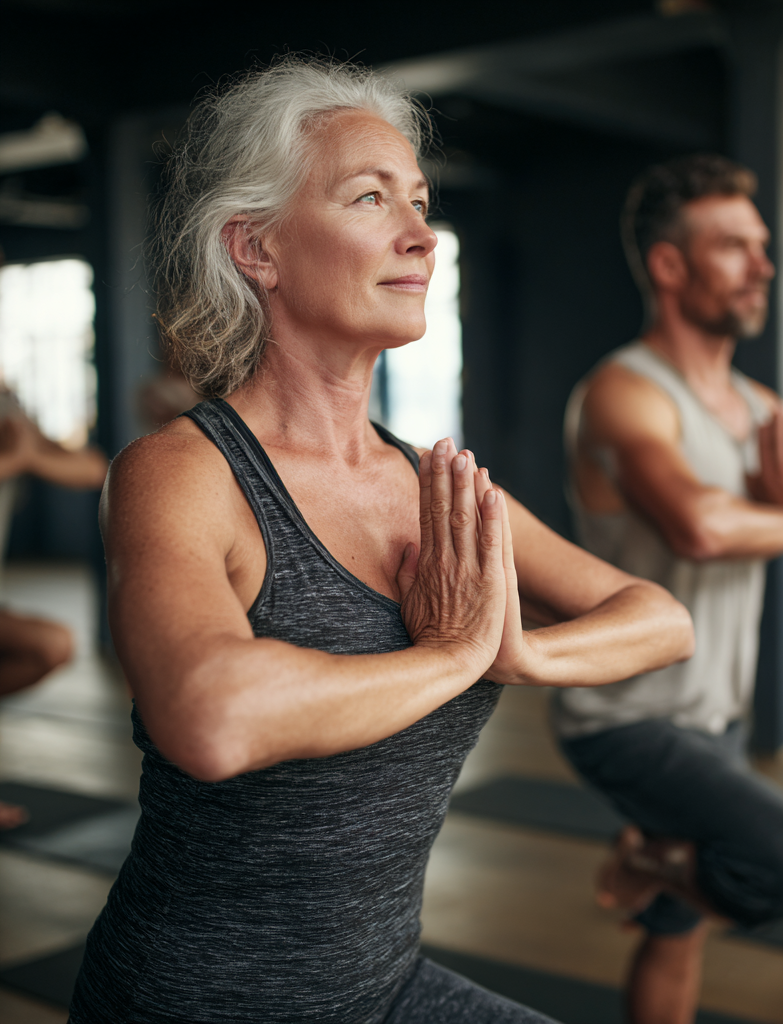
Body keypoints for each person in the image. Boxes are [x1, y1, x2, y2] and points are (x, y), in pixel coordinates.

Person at [68, 57, 694, 1024]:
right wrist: (452, 655)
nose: (419, 236)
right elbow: (212, 715)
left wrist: (516, 652)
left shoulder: (425, 483)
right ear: (256, 248)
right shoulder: (185, 472)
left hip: (382, 988)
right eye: (370, 198)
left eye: (421, 202)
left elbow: (659, 617)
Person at [556, 155, 783, 1024]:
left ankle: (655, 865)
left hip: (718, 711)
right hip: (628, 714)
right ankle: (652, 861)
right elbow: (701, 527)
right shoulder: (625, 394)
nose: (764, 265)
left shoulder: (755, 408)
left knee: (678, 933)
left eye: (762, 245)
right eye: (734, 247)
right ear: (671, 267)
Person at [0, 386, 108, 829]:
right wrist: (16, 459)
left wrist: (30, 456)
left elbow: (95, 468)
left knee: (51, 646)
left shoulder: (8, 407)